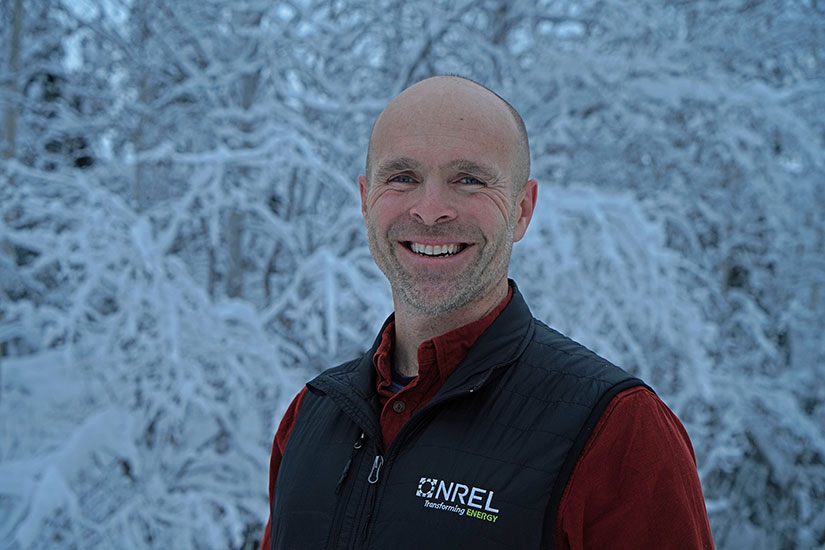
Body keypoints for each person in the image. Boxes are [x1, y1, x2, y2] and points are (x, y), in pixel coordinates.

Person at [261, 75, 714, 549]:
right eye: (402, 177)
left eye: (469, 180)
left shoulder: (617, 428)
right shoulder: (311, 416)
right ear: (365, 199)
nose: (430, 210)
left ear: (522, 209)